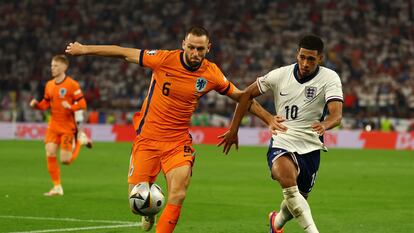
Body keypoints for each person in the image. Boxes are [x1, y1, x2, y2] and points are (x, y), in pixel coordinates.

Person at [65, 26, 280, 233]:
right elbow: (123, 52)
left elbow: (242, 97)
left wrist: (269, 119)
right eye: (191, 47)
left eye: (200, 49)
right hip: (147, 140)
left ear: (208, 48)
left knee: (178, 194)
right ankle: (149, 211)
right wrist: (85, 49)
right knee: (135, 203)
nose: (195, 53)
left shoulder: (211, 73)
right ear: (183, 45)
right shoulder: (164, 59)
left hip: (178, 144)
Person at [218, 35, 343, 233]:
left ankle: (276, 223)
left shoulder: (330, 78)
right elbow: (245, 95)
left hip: (311, 146)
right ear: (297, 54)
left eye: (311, 59)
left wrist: (325, 125)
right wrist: (235, 129)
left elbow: (336, 116)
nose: (305, 63)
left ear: (320, 58)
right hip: (282, 141)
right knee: (286, 178)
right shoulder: (280, 75)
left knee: (295, 202)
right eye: (302, 57)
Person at [30, 55, 92, 196]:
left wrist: (70, 107)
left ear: (64, 67)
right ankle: (57, 187)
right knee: (50, 151)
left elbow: (83, 104)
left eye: (56, 66)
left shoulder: (72, 85)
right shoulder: (49, 85)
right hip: (53, 126)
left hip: (67, 127)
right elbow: (46, 103)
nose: (52, 68)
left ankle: (80, 141)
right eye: (52, 66)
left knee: (66, 160)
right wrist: (37, 105)